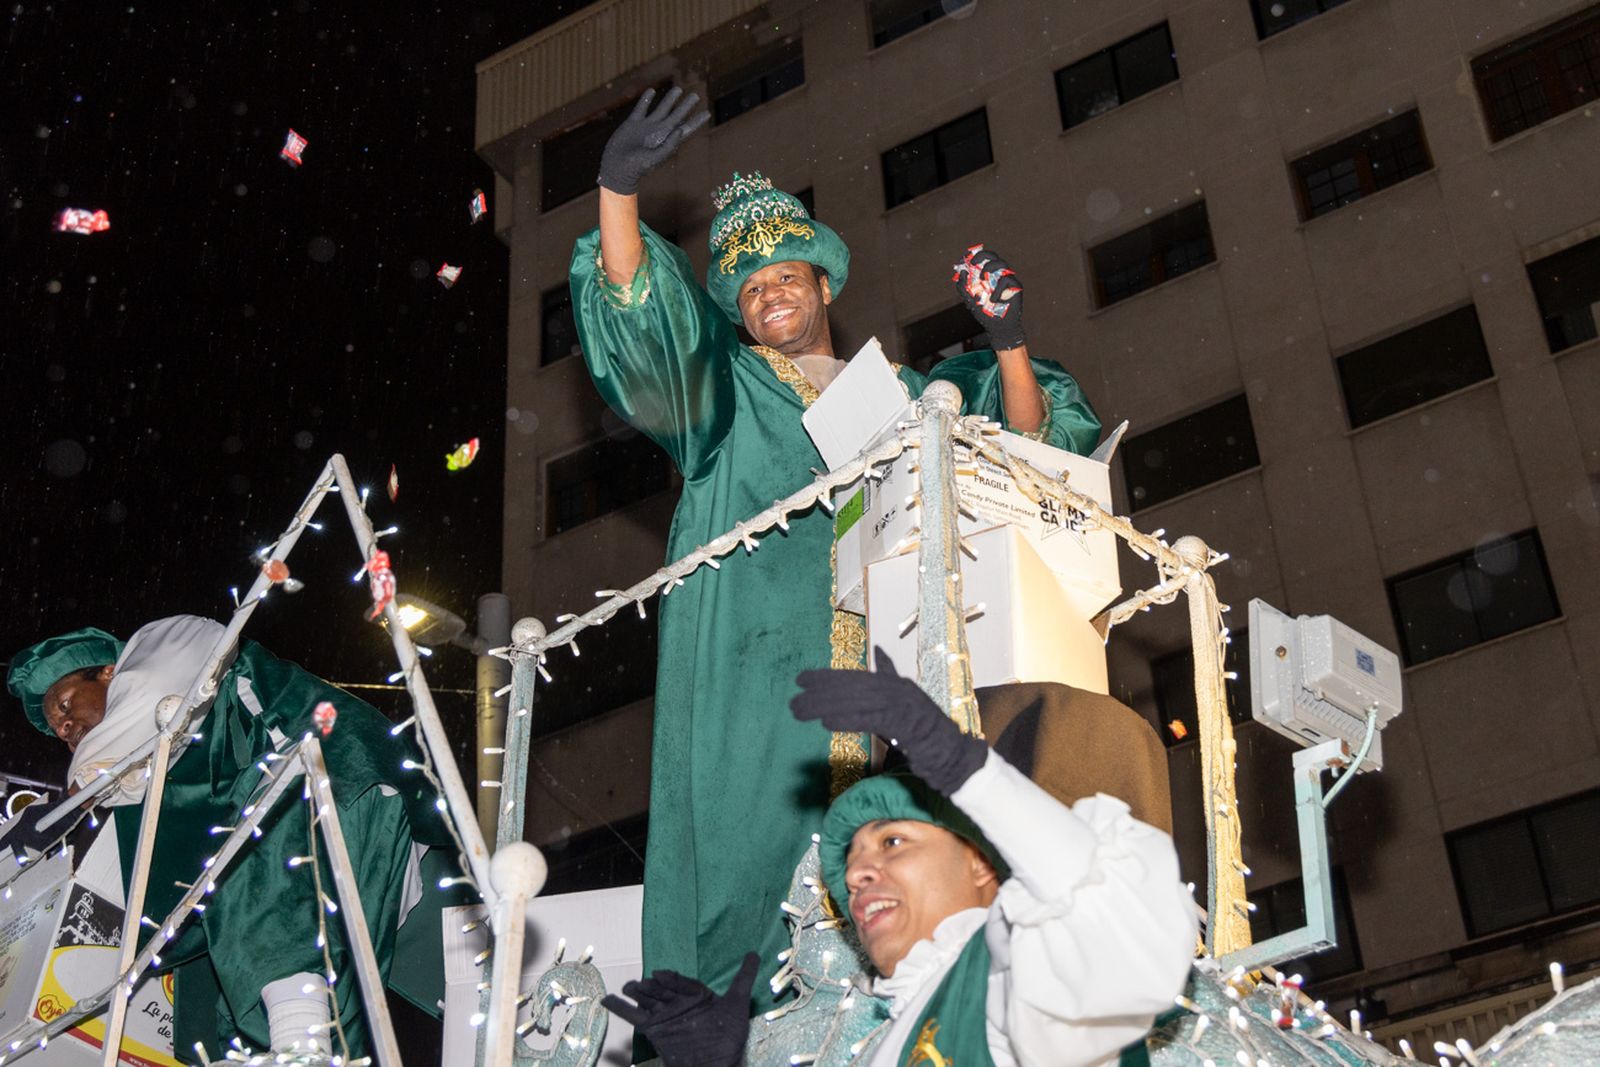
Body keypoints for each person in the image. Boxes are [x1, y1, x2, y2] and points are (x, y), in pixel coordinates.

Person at [571, 85, 1105, 1010]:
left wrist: (1009, 343)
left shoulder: (900, 391)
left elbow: (1025, 459)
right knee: (745, 890)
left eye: (787, 275)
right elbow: (647, 332)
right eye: (750, 287)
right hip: (756, 690)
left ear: (824, 286)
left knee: (911, 902)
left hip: (900, 687)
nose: (770, 292)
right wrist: (617, 189)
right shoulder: (724, 392)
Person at [603, 652, 1197, 1066]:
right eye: (851, 861)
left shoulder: (1015, 979)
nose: (857, 875)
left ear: (983, 865)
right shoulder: (879, 1035)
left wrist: (968, 769)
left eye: (892, 842)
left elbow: (1108, 917)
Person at [5, 616, 460, 1060]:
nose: (66, 729)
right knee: (255, 970)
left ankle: (297, 1044)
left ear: (107, 671)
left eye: (65, 705)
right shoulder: (140, 771)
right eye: (59, 730)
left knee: (249, 859)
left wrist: (67, 805)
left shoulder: (166, 639)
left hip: (332, 786)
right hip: (321, 866)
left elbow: (149, 696)